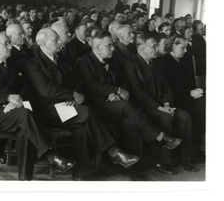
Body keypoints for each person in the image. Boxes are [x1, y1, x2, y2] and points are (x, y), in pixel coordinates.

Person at [26, 28, 139, 180]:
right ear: (42, 43)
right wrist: (71, 94)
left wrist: (74, 96)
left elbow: (76, 82)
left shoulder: (62, 59)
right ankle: (113, 151)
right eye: (55, 40)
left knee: (83, 127)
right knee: (87, 112)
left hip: (69, 107)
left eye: (58, 39)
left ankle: (81, 174)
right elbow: (45, 89)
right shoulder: (33, 64)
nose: (60, 42)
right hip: (49, 110)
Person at [75, 30, 183, 174]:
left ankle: (133, 167)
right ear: (97, 47)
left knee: (130, 123)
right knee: (127, 107)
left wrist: (119, 93)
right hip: (97, 106)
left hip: (117, 104)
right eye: (109, 46)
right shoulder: (83, 62)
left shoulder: (112, 61)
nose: (113, 48)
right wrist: (116, 90)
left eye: (112, 45)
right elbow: (92, 86)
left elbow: (125, 83)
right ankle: (160, 136)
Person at [0, 33, 75, 181]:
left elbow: (28, 87)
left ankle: (24, 178)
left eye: (10, 43)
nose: (10, 47)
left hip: (16, 109)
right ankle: (50, 155)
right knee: (26, 115)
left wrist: (18, 99)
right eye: (6, 44)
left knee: (26, 130)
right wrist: (7, 98)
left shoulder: (13, 66)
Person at [123, 34, 198, 172]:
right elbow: (138, 92)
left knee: (185, 117)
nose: (157, 49)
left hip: (163, 105)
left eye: (156, 45)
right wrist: (159, 107)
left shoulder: (157, 62)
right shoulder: (131, 63)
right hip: (145, 106)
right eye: (153, 46)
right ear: (141, 48)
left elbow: (167, 87)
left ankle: (185, 158)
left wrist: (167, 105)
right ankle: (161, 161)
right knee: (165, 118)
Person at [162, 35, 205, 160]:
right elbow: (169, 88)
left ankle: (198, 147)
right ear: (172, 46)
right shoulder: (165, 61)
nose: (185, 51)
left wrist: (196, 90)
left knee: (204, 105)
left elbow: (190, 82)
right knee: (192, 112)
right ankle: (185, 154)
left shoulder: (185, 59)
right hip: (174, 99)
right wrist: (189, 93)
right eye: (182, 47)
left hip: (186, 96)